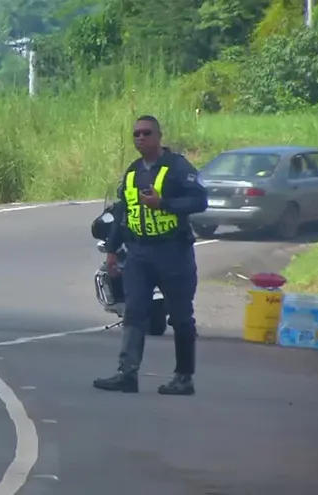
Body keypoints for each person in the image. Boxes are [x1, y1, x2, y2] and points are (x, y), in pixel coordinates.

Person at [93, 115, 208, 396]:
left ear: (158, 136)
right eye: (136, 134)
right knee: (133, 313)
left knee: (181, 316)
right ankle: (127, 374)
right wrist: (111, 250)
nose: (140, 138)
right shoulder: (133, 172)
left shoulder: (177, 167)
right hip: (139, 253)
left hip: (173, 252)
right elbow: (123, 213)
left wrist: (164, 204)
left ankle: (183, 378)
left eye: (146, 133)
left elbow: (199, 200)